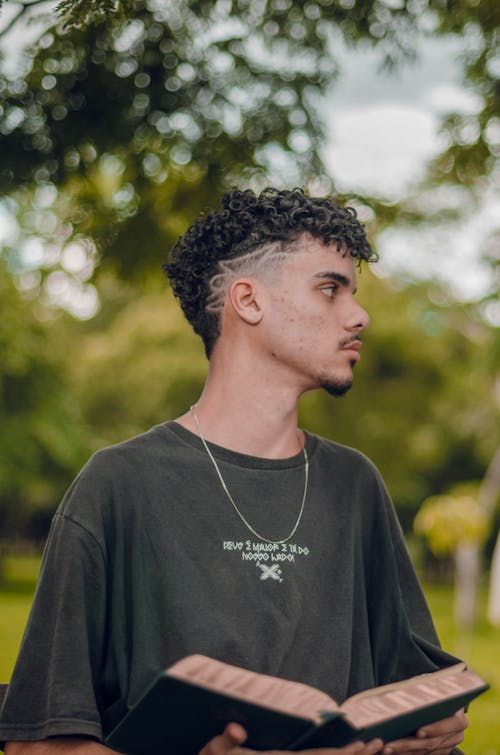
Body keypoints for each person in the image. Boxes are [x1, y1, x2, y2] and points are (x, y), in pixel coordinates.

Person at [0, 188, 468, 755]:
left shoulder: (356, 484)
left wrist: (430, 732)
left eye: (353, 293)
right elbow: (37, 746)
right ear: (249, 301)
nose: (358, 315)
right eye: (329, 289)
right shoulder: (118, 485)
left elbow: (416, 695)